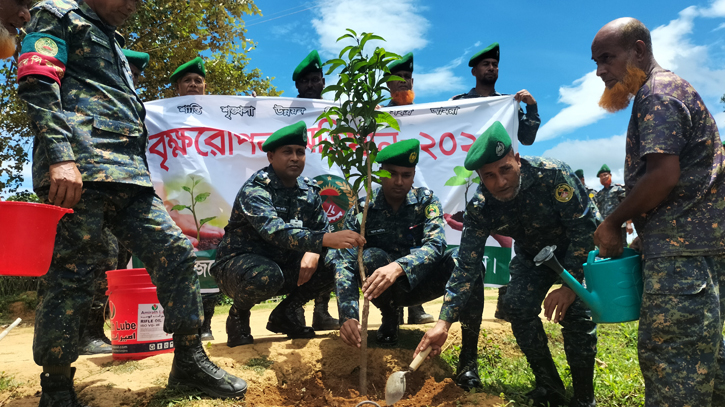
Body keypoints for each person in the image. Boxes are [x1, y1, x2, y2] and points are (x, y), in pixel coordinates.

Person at [17, 0, 247, 403]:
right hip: (81, 168)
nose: (132, 6)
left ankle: (189, 360)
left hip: (129, 175)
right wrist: (60, 156)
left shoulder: (115, 38)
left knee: (175, 251)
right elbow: (38, 81)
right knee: (75, 273)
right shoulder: (58, 14)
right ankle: (56, 385)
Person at [415, 122, 600, 407]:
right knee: (516, 305)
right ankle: (549, 386)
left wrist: (569, 286)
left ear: (517, 158)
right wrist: (443, 322)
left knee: (576, 312)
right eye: (488, 176)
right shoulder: (480, 207)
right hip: (533, 255)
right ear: (479, 177)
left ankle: (584, 398)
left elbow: (585, 231)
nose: (500, 182)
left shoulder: (553, 175)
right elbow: (466, 266)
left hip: (576, 250)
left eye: (505, 169)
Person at [592, 18, 725, 407]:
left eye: (607, 58)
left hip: (681, 262)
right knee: (706, 368)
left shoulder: (658, 94)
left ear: (637, 49)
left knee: (673, 370)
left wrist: (613, 221)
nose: (600, 71)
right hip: (696, 253)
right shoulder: (668, 90)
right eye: (596, 62)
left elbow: (663, 175)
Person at [329, 139, 484, 389]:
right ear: (379, 174)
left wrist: (399, 267)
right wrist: (347, 315)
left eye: (406, 175)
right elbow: (344, 259)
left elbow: (435, 246)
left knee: (466, 265)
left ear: (413, 176)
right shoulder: (362, 208)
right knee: (369, 257)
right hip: (382, 290)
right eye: (391, 174)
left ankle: (468, 362)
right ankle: (389, 317)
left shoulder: (426, 202)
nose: (399, 181)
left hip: (420, 284)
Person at [210, 121, 366, 347]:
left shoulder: (309, 190)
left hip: (285, 265)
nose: (295, 157)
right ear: (271, 156)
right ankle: (238, 314)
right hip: (239, 268)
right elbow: (274, 231)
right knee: (267, 274)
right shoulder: (256, 189)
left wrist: (314, 251)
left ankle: (286, 313)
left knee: (333, 261)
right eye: (287, 152)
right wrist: (323, 240)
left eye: (300, 152)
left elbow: (320, 228)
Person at [77, 49, 149, 356]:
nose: (130, 76)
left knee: (117, 264)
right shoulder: (93, 95)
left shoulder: (133, 106)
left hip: (126, 195)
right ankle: (86, 332)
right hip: (95, 192)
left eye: (134, 73)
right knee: (100, 259)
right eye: (126, 69)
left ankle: (102, 327)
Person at [287, 50, 342, 331]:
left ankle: (322, 310)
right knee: (297, 248)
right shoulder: (285, 113)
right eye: (304, 82)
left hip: (333, 193)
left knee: (329, 248)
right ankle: (293, 311)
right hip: (296, 192)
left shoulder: (338, 112)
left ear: (323, 81)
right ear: (298, 86)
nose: (310, 85)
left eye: (314, 79)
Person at [381, 52, 435, 325]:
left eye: (407, 78)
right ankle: (392, 309)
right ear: (388, 85)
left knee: (417, 242)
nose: (403, 82)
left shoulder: (426, 115)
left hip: (417, 191)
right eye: (397, 79)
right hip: (387, 191)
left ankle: (416, 307)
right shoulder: (376, 116)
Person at [452, 42, 540, 146]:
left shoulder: (509, 105)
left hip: (501, 162)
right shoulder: (457, 104)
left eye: (495, 65)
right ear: (474, 71)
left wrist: (532, 106)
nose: (491, 68)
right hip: (465, 161)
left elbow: (527, 139)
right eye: (486, 64)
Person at [594, 164, 632, 245]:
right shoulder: (599, 194)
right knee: (607, 247)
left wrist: (629, 223)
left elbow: (627, 205)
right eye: (601, 176)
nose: (603, 177)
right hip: (605, 225)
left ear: (610, 175)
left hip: (619, 224)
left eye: (605, 175)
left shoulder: (618, 189)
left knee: (622, 246)